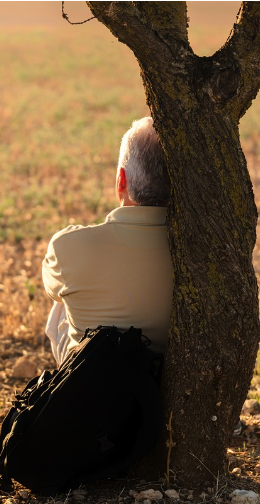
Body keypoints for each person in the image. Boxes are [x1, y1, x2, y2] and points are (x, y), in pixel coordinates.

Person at [42, 116, 173, 366]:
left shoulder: (67, 246)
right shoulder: (199, 252)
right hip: (161, 384)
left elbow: (51, 288)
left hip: (92, 385)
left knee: (62, 301)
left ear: (121, 180)